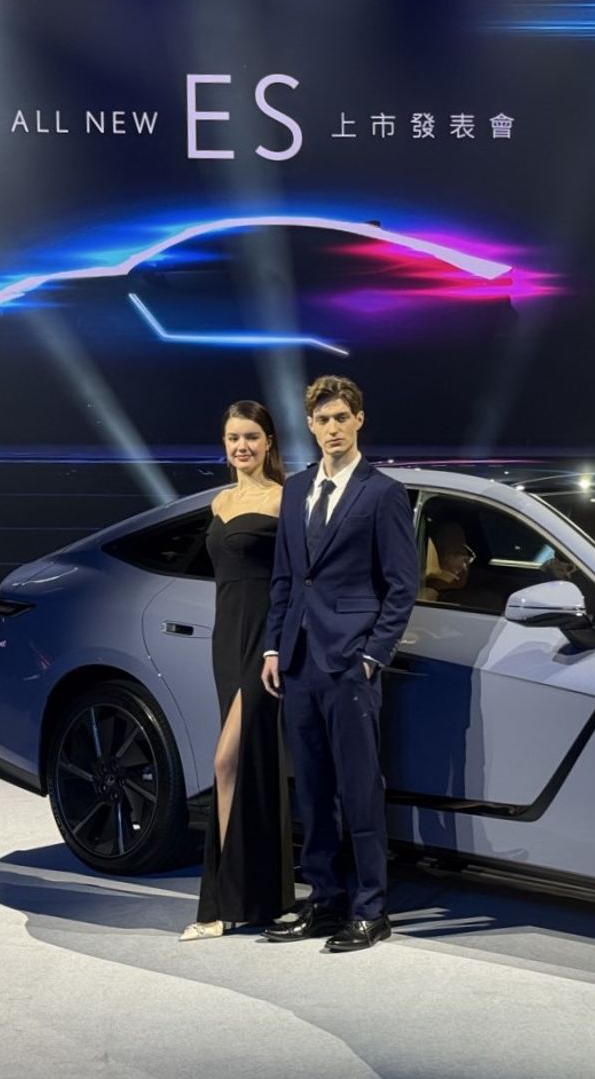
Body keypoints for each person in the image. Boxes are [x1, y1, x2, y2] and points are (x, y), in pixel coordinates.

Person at [259, 375, 417, 952]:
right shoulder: (297, 488)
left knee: (359, 789)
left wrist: (373, 655)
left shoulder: (382, 493)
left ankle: (371, 908)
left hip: (350, 663)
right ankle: (324, 900)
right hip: (298, 661)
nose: (332, 429)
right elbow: (285, 577)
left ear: (359, 420)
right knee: (312, 790)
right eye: (322, 420)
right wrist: (273, 647)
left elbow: (402, 586)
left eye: (341, 418)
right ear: (310, 425)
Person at [181, 401, 295, 940]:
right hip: (225, 640)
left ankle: (221, 904)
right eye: (233, 438)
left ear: (269, 441)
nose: (241, 446)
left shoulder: (285, 499)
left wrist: (279, 645)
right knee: (249, 765)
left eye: (251, 436)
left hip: (264, 642)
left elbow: (294, 579)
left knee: (227, 761)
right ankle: (262, 898)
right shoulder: (220, 501)